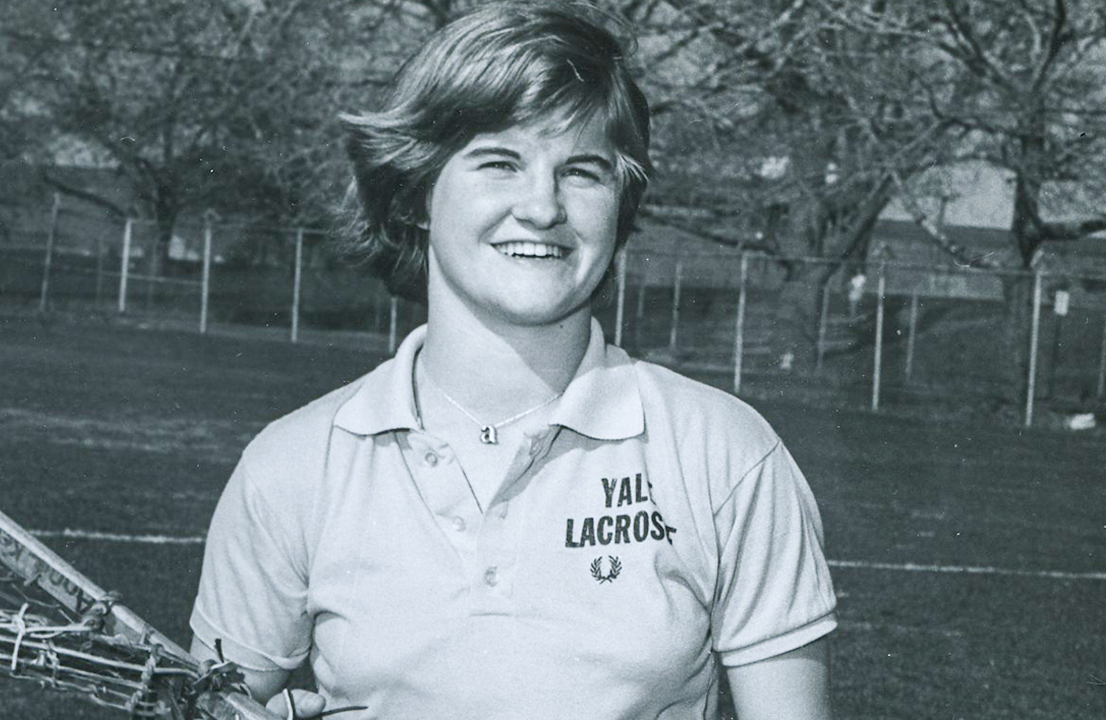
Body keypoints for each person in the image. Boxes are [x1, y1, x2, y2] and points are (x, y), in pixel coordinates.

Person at [189, 3, 837, 718]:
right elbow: (212, 705)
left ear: (620, 207)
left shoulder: (725, 453)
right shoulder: (291, 465)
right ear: (415, 194)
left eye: (582, 171)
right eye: (500, 163)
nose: (542, 207)